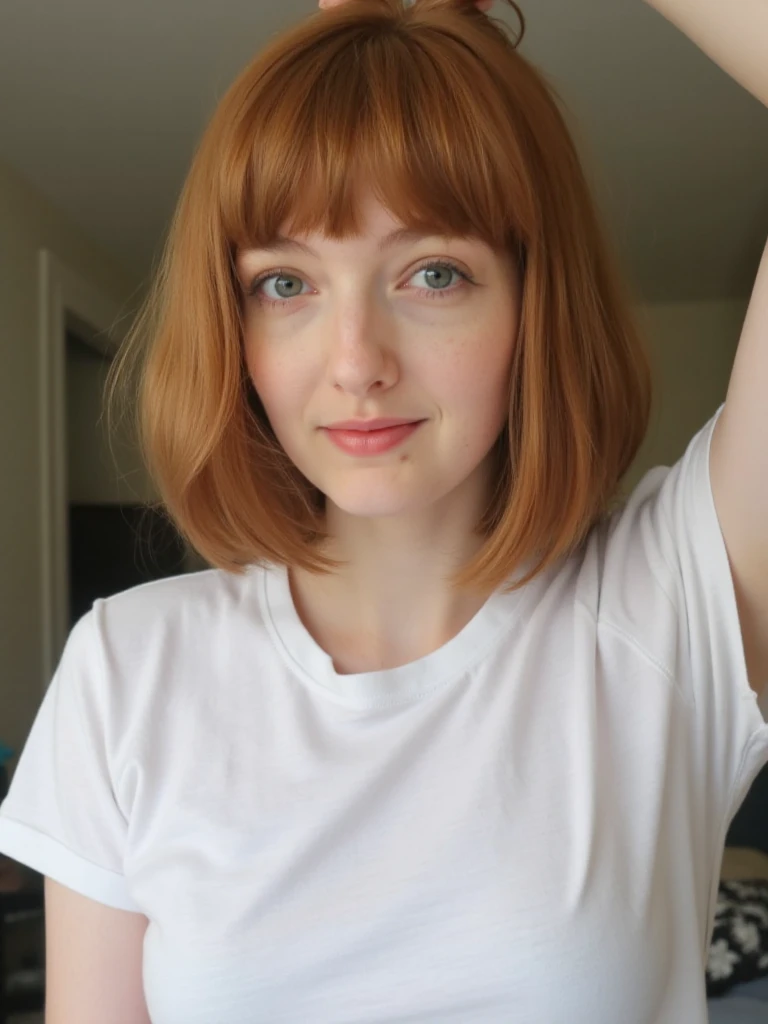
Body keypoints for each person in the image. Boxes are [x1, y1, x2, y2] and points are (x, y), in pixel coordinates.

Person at [1, 0, 767, 1020]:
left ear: (533, 304)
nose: (356, 360)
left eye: (433, 273)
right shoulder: (127, 668)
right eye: (285, 283)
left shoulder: (676, 609)